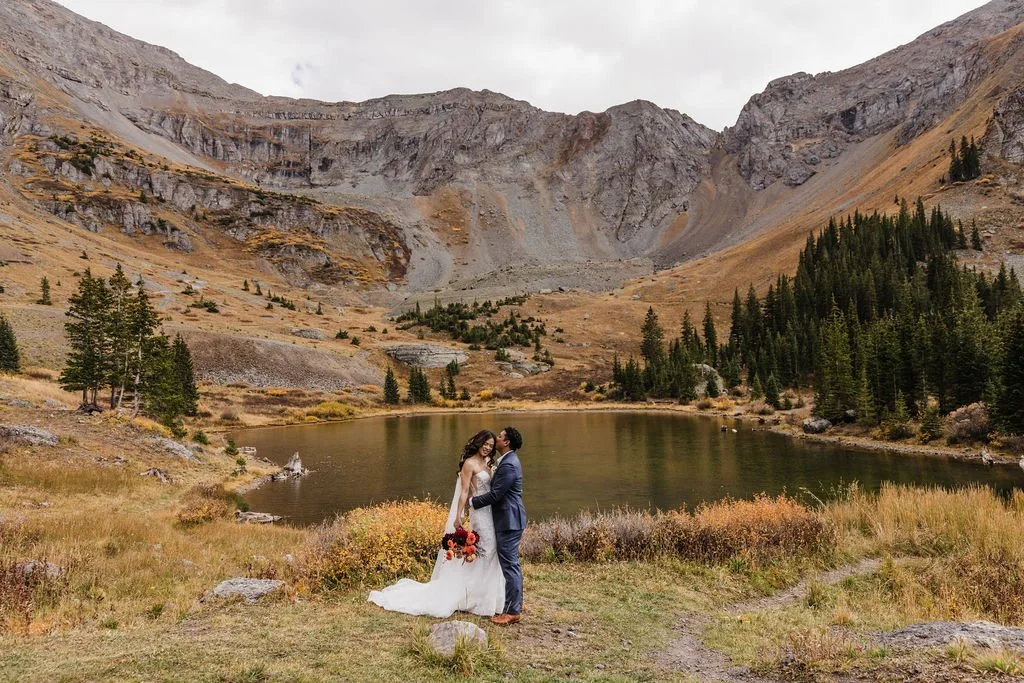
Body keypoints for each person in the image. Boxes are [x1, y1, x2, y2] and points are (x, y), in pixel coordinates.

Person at [367, 430, 505, 617]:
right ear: (478, 442)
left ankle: (484, 596)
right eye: (485, 444)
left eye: (490, 445)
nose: (488, 447)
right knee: (486, 551)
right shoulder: (469, 464)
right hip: (480, 513)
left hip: (491, 512)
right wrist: (458, 516)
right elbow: (465, 492)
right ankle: (475, 598)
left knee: (491, 553)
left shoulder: (489, 463)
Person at [470, 426, 526, 626]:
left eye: (500, 437)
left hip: (509, 521)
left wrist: (472, 503)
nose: (497, 438)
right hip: (509, 519)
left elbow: (496, 495)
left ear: (507, 442)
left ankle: (512, 611)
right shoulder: (506, 461)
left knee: (509, 564)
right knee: (512, 563)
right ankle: (517, 603)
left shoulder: (509, 465)